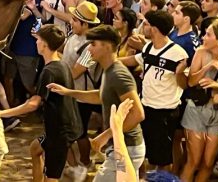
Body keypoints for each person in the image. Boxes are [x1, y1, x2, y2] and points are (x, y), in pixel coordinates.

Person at [48, 25, 145, 182]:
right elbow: (101, 96)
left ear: (106, 47)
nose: (89, 49)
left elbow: (138, 114)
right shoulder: (109, 70)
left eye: (93, 44)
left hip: (126, 149)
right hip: (122, 148)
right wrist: (68, 92)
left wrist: (105, 136)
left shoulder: (118, 75)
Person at [0, 24, 82, 182]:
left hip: (60, 131)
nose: (35, 43)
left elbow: (33, 104)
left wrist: (2, 113)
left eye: (38, 40)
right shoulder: (62, 64)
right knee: (35, 148)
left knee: (51, 178)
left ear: (44, 44)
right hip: (62, 127)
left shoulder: (49, 71)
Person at [120, 11, 188, 172]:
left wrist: (179, 73)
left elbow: (184, 85)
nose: (143, 27)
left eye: (146, 24)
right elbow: (134, 60)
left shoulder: (178, 53)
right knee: (146, 152)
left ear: (155, 28)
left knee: (163, 157)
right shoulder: (149, 47)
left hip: (164, 112)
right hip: (146, 107)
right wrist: (111, 60)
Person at [180, 20, 218, 182]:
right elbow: (190, 82)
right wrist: (207, 67)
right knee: (193, 161)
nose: (203, 37)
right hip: (196, 109)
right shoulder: (201, 52)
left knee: (208, 163)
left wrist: (217, 86)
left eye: (208, 34)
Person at [61, 1, 101, 181]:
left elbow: (77, 71)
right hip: (71, 92)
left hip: (82, 96)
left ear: (85, 24)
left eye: (76, 20)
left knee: (80, 132)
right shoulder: (73, 37)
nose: (72, 22)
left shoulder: (91, 47)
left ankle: (85, 163)